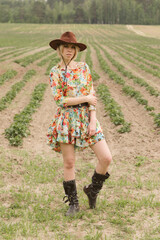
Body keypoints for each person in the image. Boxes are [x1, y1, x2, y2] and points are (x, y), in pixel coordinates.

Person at [47, 32, 112, 216]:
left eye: (72, 47)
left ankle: (92, 189)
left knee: (106, 158)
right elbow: (60, 100)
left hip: (87, 117)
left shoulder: (84, 67)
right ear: (60, 49)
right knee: (69, 162)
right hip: (67, 119)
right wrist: (85, 98)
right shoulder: (55, 72)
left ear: (76, 50)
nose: (69, 50)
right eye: (66, 47)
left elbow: (92, 95)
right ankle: (73, 203)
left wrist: (93, 119)